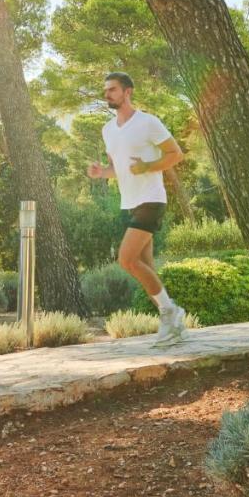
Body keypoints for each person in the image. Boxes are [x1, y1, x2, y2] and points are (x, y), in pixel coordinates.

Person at [87, 72, 187, 346]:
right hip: (130, 202)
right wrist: (101, 173)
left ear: (128, 92)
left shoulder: (148, 122)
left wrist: (147, 167)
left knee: (127, 260)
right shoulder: (108, 130)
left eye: (113, 89)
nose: (107, 94)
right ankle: (174, 327)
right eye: (106, 90)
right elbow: (118, 170)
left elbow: (175, 154)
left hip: (152, 199)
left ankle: (171, 312)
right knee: (145, 265)